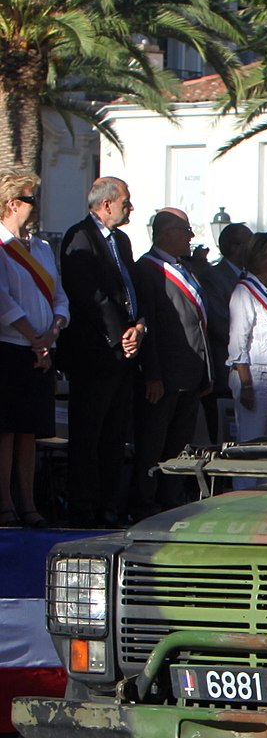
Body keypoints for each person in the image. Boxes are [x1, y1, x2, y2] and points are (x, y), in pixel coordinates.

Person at [59, 175, 146, 525]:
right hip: (95, 354)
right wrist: (120, 334)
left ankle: (109, 503)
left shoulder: (122, 241)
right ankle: (85, 506)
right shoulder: (80, 237)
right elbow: (89, 294)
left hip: (124, 355)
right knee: (89, 434)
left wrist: (139, 327)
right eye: (125, 201)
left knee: (114, 435)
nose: (130, 208)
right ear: (107, 204)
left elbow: (132, 288)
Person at [130, 208, 212, 517]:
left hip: (190, 374)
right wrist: (153, 374)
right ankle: (145, 502)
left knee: (179, 444)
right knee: (153, 443)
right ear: (165, 234)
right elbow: (148, 323)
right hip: (163, 375)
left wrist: (206, 372)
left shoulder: (185, 268)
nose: (191, 236)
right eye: (185, 230)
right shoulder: (147, 269)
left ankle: (170, 499)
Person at [0, 171, 68, 527]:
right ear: (13, 204)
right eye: (31, 199)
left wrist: (52, 331)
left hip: (41, 348)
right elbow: (3, 301)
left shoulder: (41, 247)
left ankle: (29, 503)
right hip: (11, 348)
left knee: (30, 432)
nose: (36, 206)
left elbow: (59, 296)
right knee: (7, 430)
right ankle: (5, 503)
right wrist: (33, 338)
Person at [226, 232, 267, 472]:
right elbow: (238, 341)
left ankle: (263, 490)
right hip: (254, 373)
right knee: (251, 441)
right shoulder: (245, 291)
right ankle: (243, 491)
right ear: (262, 256)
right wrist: (246, 383)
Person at [200, 221, 252, 444]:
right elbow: (220, 322)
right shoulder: (214, 277)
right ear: (235, 247)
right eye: (251, 244)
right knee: (223, 435)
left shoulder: (252, 278)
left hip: (253, 369)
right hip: (226, 370)